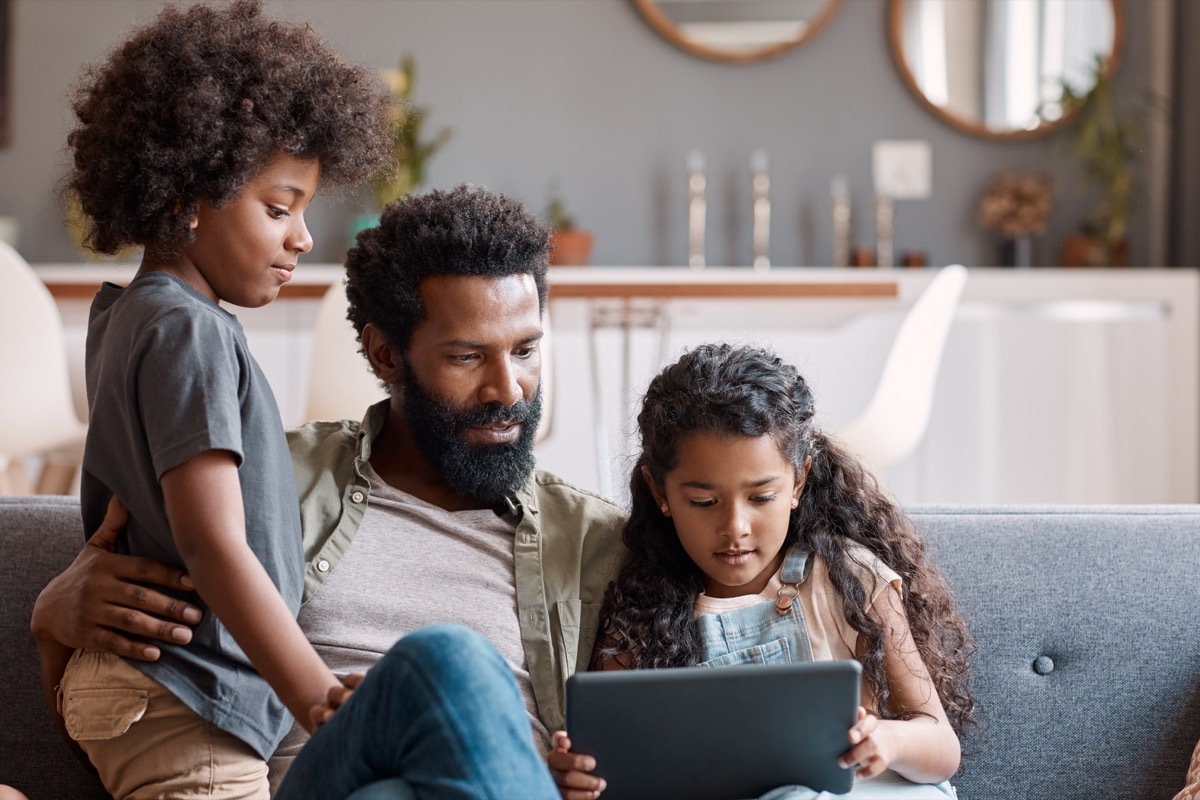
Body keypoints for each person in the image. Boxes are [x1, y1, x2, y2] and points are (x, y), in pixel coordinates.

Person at [31, 185, 626, 798]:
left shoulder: (596, 540)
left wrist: (556, 772)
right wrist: (52, 627)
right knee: (452, 661)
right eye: (468, 356)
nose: (508, 389)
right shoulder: (258, 483)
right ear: (385, 354)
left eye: (526, 351)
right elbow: (141, 734)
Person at [47, 2, 394, 795]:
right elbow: (213, 544)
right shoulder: (187, 331)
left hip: (178, 694)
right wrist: (318, 697)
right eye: (278, 208)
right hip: (181, 697)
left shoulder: (130, 316)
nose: (302, 238)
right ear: (182, 199)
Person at [548, 343, 975, 800]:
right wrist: (578, 772)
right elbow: (615, 761)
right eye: (704, 502)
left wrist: (888, 741)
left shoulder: (848, 579)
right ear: (660, 492)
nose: (734, 527)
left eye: (760, 497)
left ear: (798, 481)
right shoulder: (642, 606)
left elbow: (941, 745)